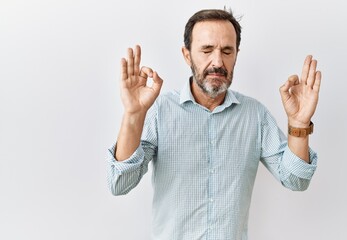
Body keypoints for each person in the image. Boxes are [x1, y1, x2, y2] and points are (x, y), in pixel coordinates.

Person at [107, 8, 321, 240]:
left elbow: (296, 180)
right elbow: (120, 183)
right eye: (207, 50)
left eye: (227, 51)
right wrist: (133, 114)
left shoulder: (255, 115)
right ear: (187, 54)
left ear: (236, 55)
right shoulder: (160, 111)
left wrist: (299, 123)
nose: (218, 61)